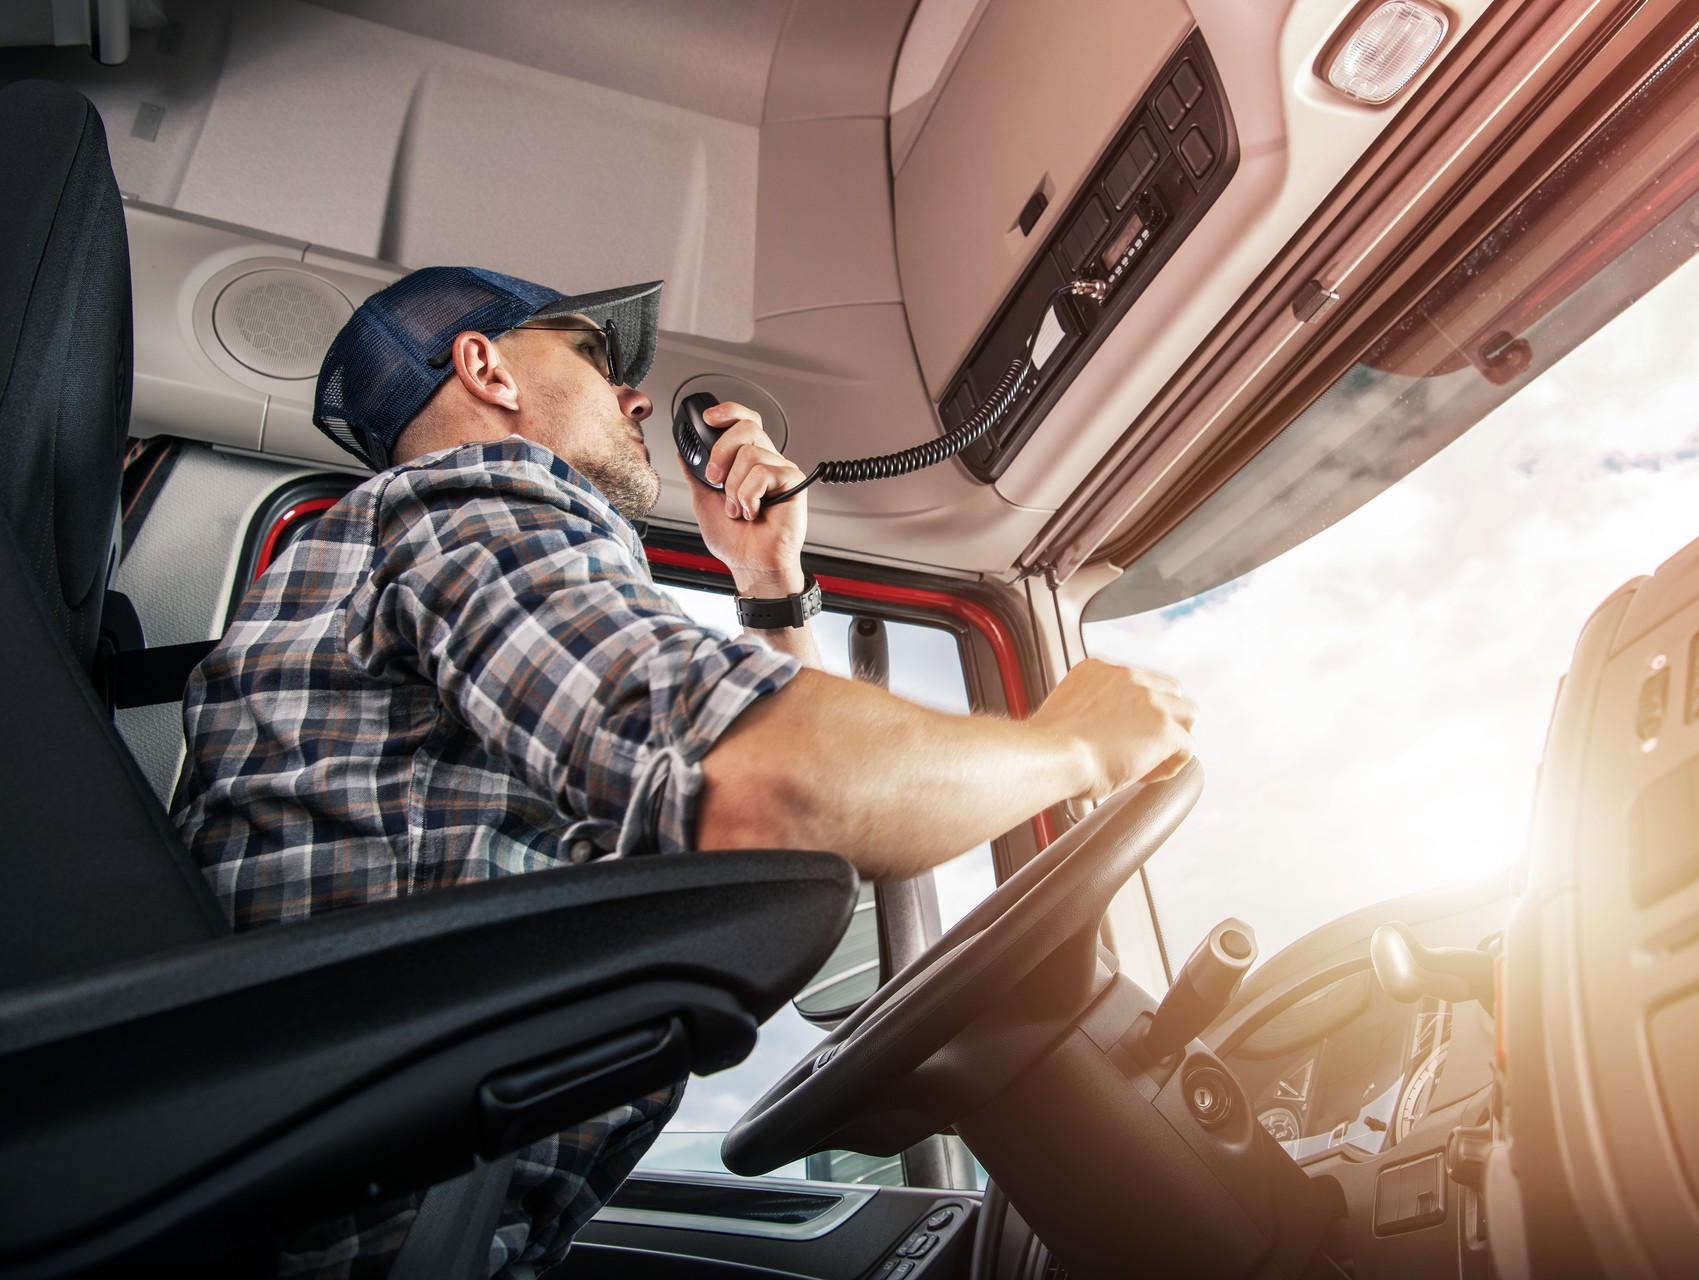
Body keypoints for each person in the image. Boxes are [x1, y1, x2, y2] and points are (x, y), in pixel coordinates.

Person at [174, 266, 1195, 1277]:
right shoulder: (471, 502)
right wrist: (1076, 743)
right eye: (594, 355)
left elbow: (768, 857)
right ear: (486, 368)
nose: (641, 396)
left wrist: (768, 582)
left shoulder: (405, 558)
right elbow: (783, 794)